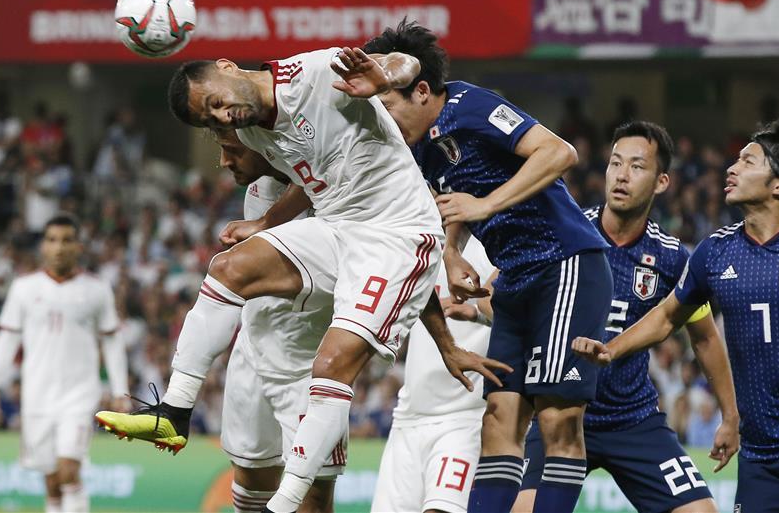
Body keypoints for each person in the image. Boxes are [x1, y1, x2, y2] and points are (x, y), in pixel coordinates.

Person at [95, 44, 507, 513]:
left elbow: (404, 62)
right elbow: (309, 178)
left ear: (227, 67)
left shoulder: (311, 73)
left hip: (396, 237)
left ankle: (283, 504)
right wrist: (268, 223)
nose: (222, 118)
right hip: (338, 229)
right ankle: (173, 411)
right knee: (229, 269)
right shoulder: (253, 133)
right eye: (210, 121)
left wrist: (383, 77)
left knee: (330, 366)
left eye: (214, 103)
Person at [363, 20, 612, 513]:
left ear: (420, 90)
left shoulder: (470, 106)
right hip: (516, 276)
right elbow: (454, 196)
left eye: (387, 106)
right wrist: (452, 252)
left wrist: (486, 206)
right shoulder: (417, 146)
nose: (384, 119)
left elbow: (559, 152)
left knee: (558, 421)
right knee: (498, 416)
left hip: (564, 263)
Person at [573, 117, 779, 513]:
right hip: (760, 454)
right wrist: (613, 348)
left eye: (748, 162)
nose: (731, 168)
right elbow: (668, 316)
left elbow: (702, 335)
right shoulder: (714, 252)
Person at [517, 121, 739, 513]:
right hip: (561, 413)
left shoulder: (671, 257)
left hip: (633, 420)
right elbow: (506, 293)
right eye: (615, 163)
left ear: (661, 182)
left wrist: (730, 415)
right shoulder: (564, 232)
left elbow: (704, 337)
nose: (622, 175)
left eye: (637, 167)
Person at [214, 130, 341, 513]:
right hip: (252, 349)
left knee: (312, 493)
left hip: (309, 360)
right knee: (251, 476)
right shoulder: (260, 189)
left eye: (232, 150)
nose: (224, 162)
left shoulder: (334, 193)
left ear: (264, 145)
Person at [0, 214, 129, 513]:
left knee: (68, 471)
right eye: (52, 240)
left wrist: (119, 390)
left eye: (66, 240)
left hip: (79, 394)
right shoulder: (24, 288)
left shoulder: (96, 290)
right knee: (51, 482)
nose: (59, 247)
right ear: (43, 247)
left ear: (78, 247)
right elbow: (7, 339)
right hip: (37, 396)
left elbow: (112, 341)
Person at [372, 235, 496, 513]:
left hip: (466, 417)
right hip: (409, 414)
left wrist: (478, 313)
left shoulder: (498, 245)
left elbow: (525, 318)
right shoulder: (421, 243)